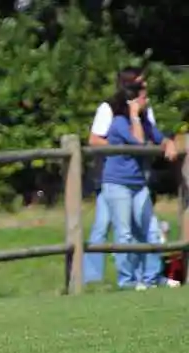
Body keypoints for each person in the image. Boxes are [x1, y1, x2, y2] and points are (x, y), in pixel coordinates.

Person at [83, 67, 164, 284]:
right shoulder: (110, 109)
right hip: (111, 175)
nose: (145, 87)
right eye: (140, 83)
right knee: (103, 226)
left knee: (139, 229)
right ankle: (92, 279)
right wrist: (121, 148)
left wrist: (166, 142)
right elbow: (94, 140)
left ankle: (144, 276)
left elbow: (152, 135)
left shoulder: (144, 110)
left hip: (136, 175)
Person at [102, 82, 177, 289]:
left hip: (138, 184)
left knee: (152, 230)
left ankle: (153, 278)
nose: (147, 101)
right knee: (125, 234)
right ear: (132, 101)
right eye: (143, 97)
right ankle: (127, 281)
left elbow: (159, 138)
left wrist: (169, 143)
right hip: (118, 184)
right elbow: (138, 141)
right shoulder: (119, 123)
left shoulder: (144, 123)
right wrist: (134, 115)